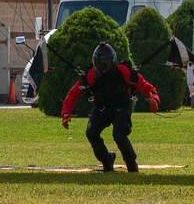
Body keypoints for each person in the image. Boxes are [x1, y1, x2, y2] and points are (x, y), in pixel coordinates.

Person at [61, 42, 159, 173]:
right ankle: (107, 160)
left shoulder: (125, 72)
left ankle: (131, 164)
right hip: (102, 108)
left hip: (121, 107)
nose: (101, 66)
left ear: (112, 61)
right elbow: (73, 94)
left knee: (119, 135)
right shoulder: (91, 75)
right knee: (91, 133)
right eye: (98, 63)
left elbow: (148, 88)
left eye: (104, 63)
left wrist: (154, 100)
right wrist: (66, 113)